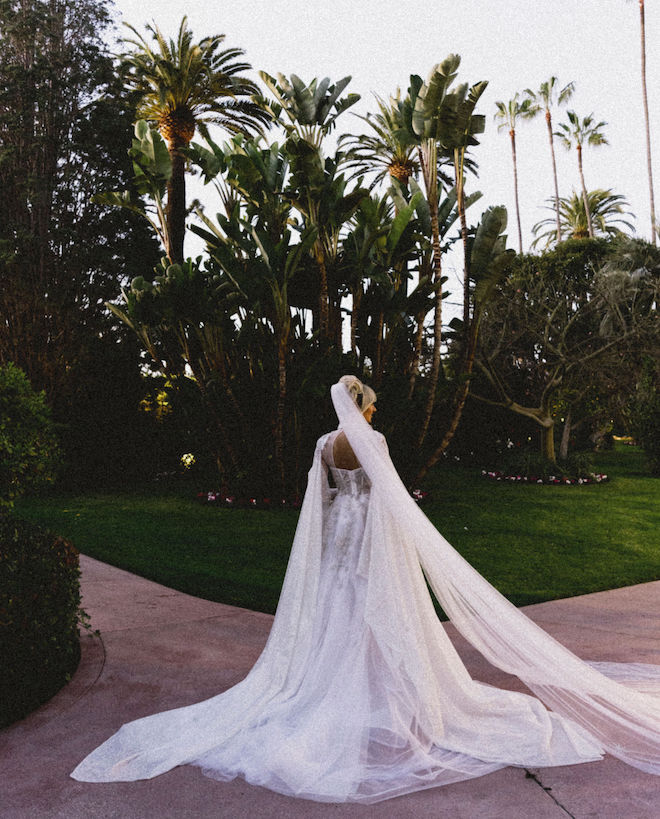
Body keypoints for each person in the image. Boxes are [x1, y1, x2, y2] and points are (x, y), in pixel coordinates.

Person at [72, 375, 660, 803]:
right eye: (372, 408)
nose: (373, 417)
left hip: (339, 541)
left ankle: (344, 693)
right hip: (370, 536)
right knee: (375, 613)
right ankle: (385, 700)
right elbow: (389, 501)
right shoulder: (372, 444)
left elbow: (320, 503)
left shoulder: (324, 446)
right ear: (367, 408)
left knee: (337, 613)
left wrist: (332, 540)